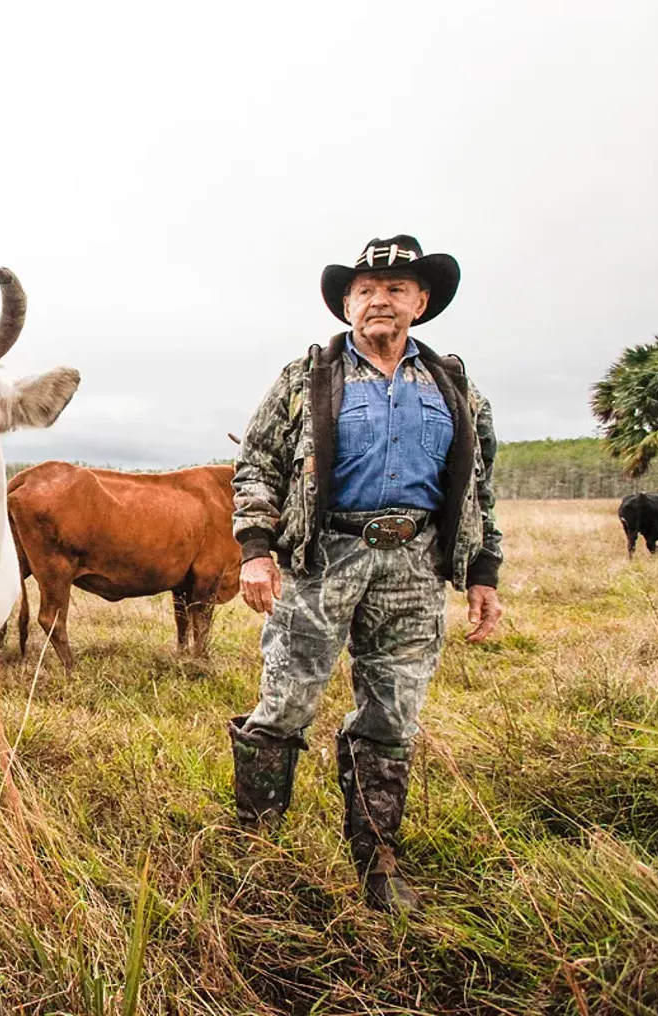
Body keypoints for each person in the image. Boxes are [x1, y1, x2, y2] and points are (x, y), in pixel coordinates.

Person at [229, 235, 504, 912]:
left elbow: (479, 487)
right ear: (347, 304)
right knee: (285, 700)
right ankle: (257, 850)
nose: (380, 300)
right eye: (366, 290)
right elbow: (257, 465)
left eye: (396, 289)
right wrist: (256, 549)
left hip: (415, 563)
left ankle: (377, 863)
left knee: (393, 714)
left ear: (421, 302)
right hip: (326, 556)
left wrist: (483, 572)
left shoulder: (454, 385)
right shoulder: (306, 378)